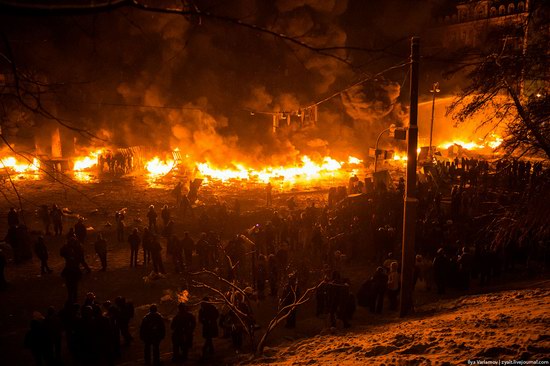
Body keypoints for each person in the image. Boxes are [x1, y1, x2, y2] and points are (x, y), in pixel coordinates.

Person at [60, 237, 84, 305]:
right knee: (72, 286)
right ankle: (72, 298)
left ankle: (72, 298)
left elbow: (62, 253)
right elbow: (62, 253)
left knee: (72, 286)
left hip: (72, 269)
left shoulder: (76, 249)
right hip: (72, 269)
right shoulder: (75, 248)